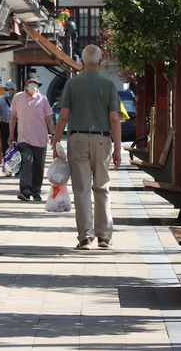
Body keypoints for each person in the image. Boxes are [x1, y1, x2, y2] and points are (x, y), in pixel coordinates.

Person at [51, 45, 121, 250]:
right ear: (100, 63)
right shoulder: (108, 85)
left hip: (77, 140)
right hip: (102, 140)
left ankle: (85, 238)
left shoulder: (72, 84)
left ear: (81, 62)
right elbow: (115, 119)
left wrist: (56, 143)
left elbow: (63, 117)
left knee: (81, 190)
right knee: (102, 188)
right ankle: (105, 237)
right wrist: (117, 149)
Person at [8, 73, 55, 201]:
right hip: (24, 138)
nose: (33, 85)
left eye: (36, 83)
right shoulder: (18, 97)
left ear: (38, 85)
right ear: (26, 84)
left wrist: (53, 134)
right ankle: (25, 191)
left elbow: (49, 119)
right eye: (31, 82)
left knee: (39, 166)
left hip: (40, 139)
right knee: (26, 161)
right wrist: (11, 135)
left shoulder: (43, 99)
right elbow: (12, 117)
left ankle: (36, 191)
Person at [0, 81, 17, 161]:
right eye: (5, 89)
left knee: (15, 145)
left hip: (15, 125)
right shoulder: (1, 101)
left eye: (7, 89)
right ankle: (7, 164)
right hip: (4, 125)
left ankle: (16, 165)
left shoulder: (17, 100)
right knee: (5, 146)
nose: (5, 91)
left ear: (12, 90)